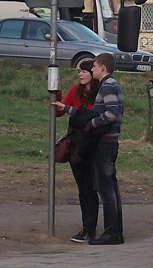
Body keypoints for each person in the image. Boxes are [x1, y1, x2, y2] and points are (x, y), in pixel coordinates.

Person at [51, 60, 100, 243]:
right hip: (76, 145)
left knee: (90, 187)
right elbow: (59, 112)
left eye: (84, 71)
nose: (80, 74)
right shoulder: (75, 91)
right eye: (79, 71)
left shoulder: (99, 93)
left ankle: (90, 228)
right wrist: (57, 92)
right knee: (82, 188)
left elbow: (92, 116)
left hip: (92, 145)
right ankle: (86, 227)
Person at [78, 53, 125, 245]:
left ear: (103, 68)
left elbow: (111, 113)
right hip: (110, 142)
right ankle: (114, 231)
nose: (92, 70)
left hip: (105, 142)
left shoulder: (107, 85)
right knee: (111, 187)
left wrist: (92, 124)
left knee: (106, 189)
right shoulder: (112, 85)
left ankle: (112, 233)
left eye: (95, 66)